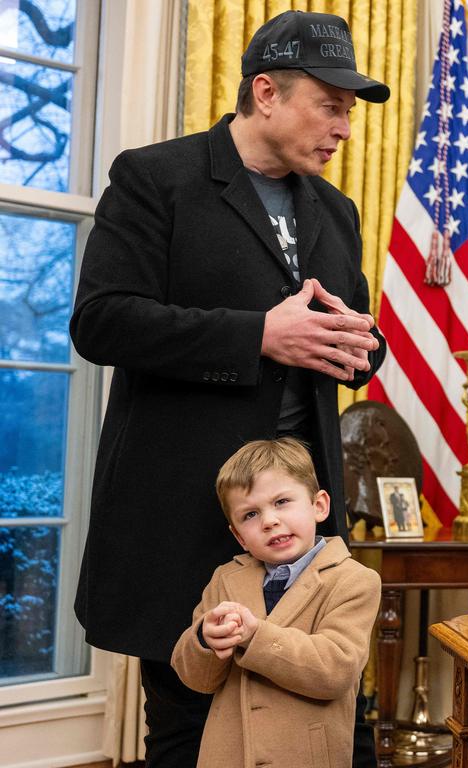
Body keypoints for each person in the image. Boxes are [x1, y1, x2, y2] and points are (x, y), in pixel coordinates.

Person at [70, 11, 387, 766]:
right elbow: (104, 322)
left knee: (337, 732)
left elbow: (349, 347)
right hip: (182, 520)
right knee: (188, 737)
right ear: (267, 91)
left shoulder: (335, 212)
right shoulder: (155, 178)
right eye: (331, 105)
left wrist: (360, 347)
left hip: (303, 532)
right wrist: (256, 336)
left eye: (349, 111)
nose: (344, 128)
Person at [171, 438, 381, 768]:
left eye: (282, 502)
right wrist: (203, 640)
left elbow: (335, 670)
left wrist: (256, 636)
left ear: (319, 506)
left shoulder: (354, 581)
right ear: (239, 536)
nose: (269, 521)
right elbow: (197, 679)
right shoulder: (225, 579)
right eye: (251, 514)